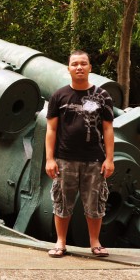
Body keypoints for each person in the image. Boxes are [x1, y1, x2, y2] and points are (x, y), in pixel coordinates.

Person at [45, 50, 115, 258]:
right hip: (65, 159)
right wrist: (50, 159)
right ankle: (60, 242)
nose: (79, 67)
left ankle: (95, 242)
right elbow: (51, 130)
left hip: (94, 159)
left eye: (83, 63)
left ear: (90, 68)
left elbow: (108, 129)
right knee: (62, 201)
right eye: (75, 64)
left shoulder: (103, 96)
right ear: (68, 68)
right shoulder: (59, 96)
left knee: (95, 202)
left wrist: (109, 159)